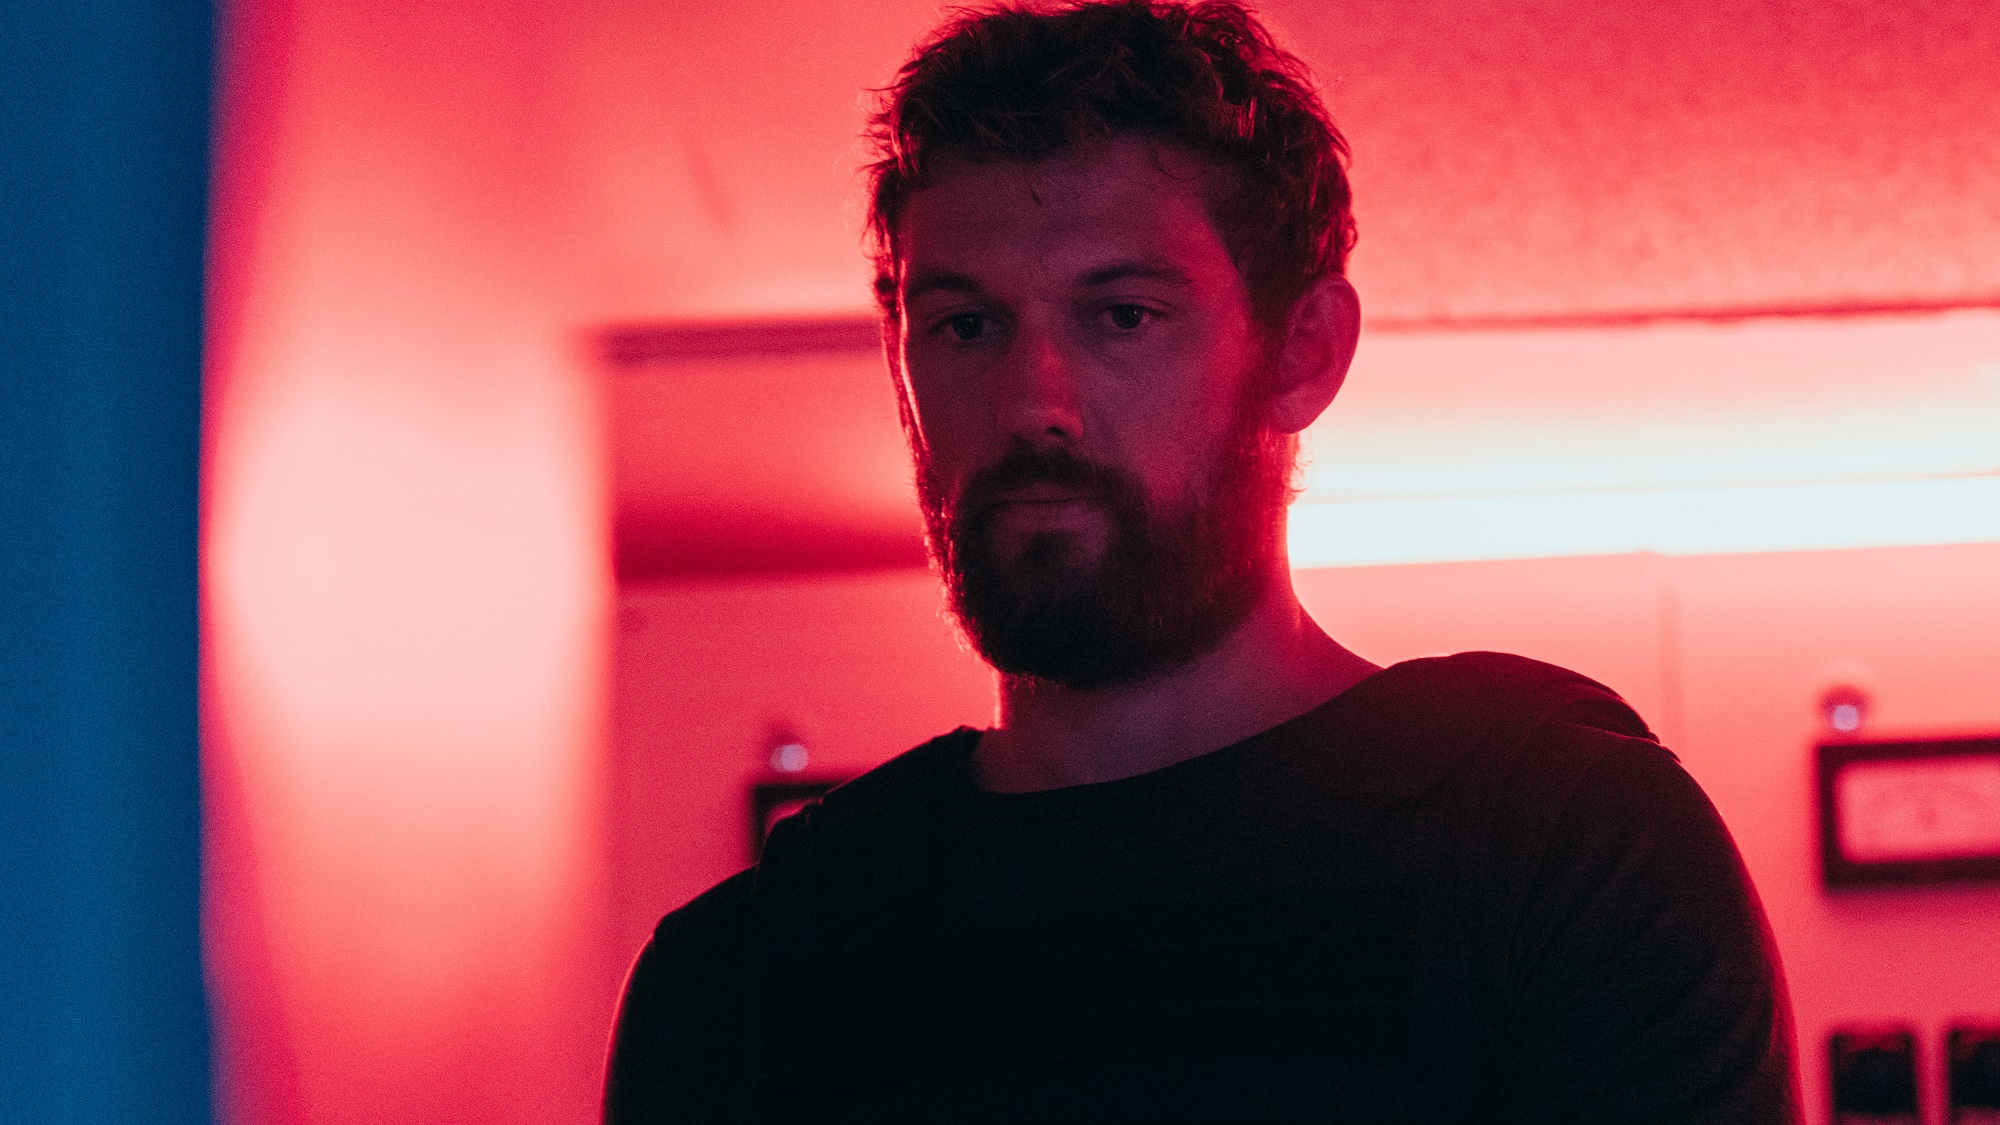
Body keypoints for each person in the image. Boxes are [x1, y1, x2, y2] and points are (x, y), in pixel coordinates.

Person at [604, 2, 1800, 1120]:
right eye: (966, 325)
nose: (1032, 405)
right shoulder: (750, 969)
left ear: (1300, 353)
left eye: (1120, 315)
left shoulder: (1556, 845)